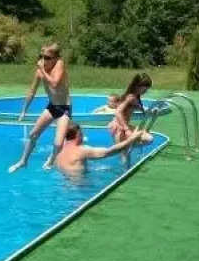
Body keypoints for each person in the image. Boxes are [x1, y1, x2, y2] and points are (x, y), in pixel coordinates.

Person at [8, 43, 72, 173]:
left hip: (64, 108)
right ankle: (23, 161)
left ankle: (52, 158)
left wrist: (42, 70)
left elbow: (54, 83)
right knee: (33, 134)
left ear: (55, 58)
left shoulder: (59, 64)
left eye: (47, 58)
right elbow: (32, 91)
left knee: (58, 143)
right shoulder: (40, 72)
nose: (43, 60)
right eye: (41, 57)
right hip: (52, 107)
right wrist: (24, 110)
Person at [55, 122, 145, 176]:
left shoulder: (59, 149)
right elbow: (109, 152)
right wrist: (131, 139)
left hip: (64, 185)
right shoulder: (82, 150)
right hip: (79, 187)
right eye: (82, 134)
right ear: (78, 135)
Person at [108, 72, 154, 147]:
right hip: (118, 127)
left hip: (122, 125)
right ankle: (128, 145)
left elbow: (138, 107)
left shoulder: (136, 97)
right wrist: (127, 130)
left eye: (147, 88)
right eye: (145, 87)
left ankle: (129, 145)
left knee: (148, 139)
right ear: (138, 85)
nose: (146, 90)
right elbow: (117, 112)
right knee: (124, 150)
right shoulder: (130, 97)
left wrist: (150, 110)